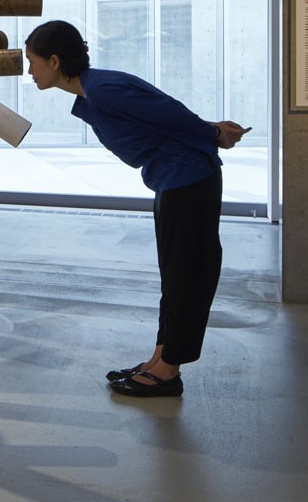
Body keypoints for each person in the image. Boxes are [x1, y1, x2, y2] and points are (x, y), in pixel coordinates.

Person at [24, 20, 249, 398]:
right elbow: (160, 117)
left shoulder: (104, 90)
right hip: (173, 181)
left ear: (55, 61)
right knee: (174, 276)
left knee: (186, 276)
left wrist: (213, 133)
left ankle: (169, 371)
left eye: (32, 61)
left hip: (188, 179)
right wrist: (210, 127)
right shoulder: (97, 89)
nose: (29, 71)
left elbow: (169, 113)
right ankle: (160, 357)